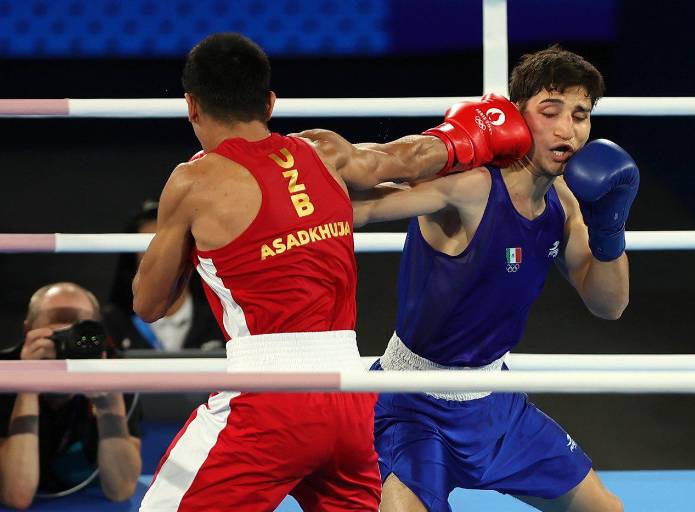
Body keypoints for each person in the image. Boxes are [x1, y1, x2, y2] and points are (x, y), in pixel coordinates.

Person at [132, 32, 530, 511]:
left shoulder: (194, 180)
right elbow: (405, 158)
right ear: (271, 102)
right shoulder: (323, 151)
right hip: (350, 395)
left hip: (269, 396)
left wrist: (188, 235)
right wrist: (475, 137)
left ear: (192, 106)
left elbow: (148, 304)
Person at [353, 46, 638, 512]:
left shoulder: (564, 205)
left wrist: (610, 230)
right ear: (516, 118)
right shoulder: (472, 186)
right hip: (412, 406)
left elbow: (609, 304)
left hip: (494, 403)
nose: (568, 129)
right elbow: (360, 208)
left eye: (581, 115)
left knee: (607, 510)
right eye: (551, 112)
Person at [0, 282, 142, 509]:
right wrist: (26, 385)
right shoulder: (4, 373)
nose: (68, 342)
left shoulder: (114, 372)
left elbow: (120, 489)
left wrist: (109, 404)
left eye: (79, 330)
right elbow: (16, 495)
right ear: (29, 331)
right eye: (58, 333)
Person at [103, 200, 224, 352]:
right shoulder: (112, 324)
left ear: (191, 251)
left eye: (170, 249)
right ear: (133, 259)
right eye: (148, 250)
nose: (161, 260)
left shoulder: (221, 316)